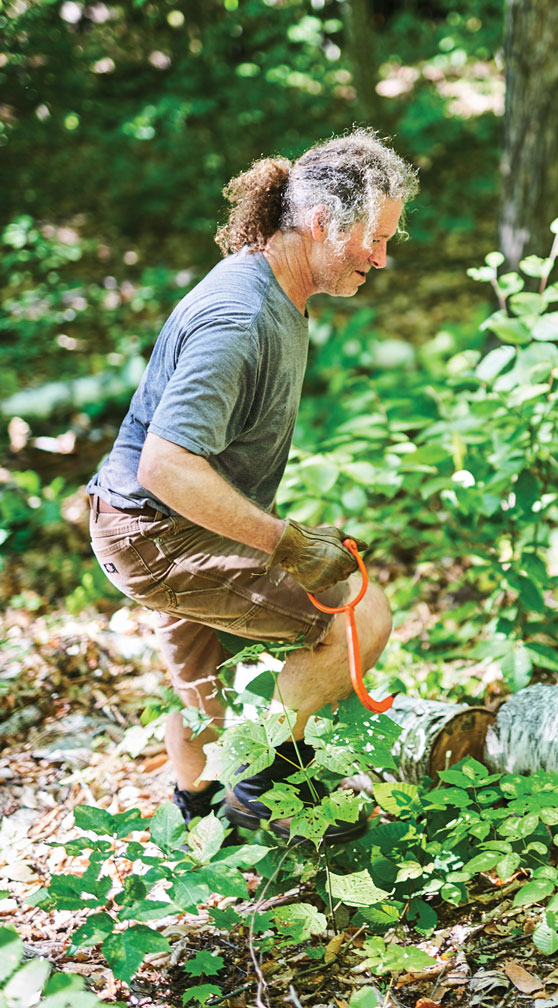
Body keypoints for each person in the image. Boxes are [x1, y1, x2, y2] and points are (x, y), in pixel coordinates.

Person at [86, 128, 418, 840]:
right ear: (323, 224)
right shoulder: (240, 317)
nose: (383, 258)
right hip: (156, 531)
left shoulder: (275, 290)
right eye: (377, 238)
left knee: (199, 691)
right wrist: (288, 544)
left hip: (154, 522)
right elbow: (166, 465)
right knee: (358, 614)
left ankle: (198, 813)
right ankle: (267, 779)